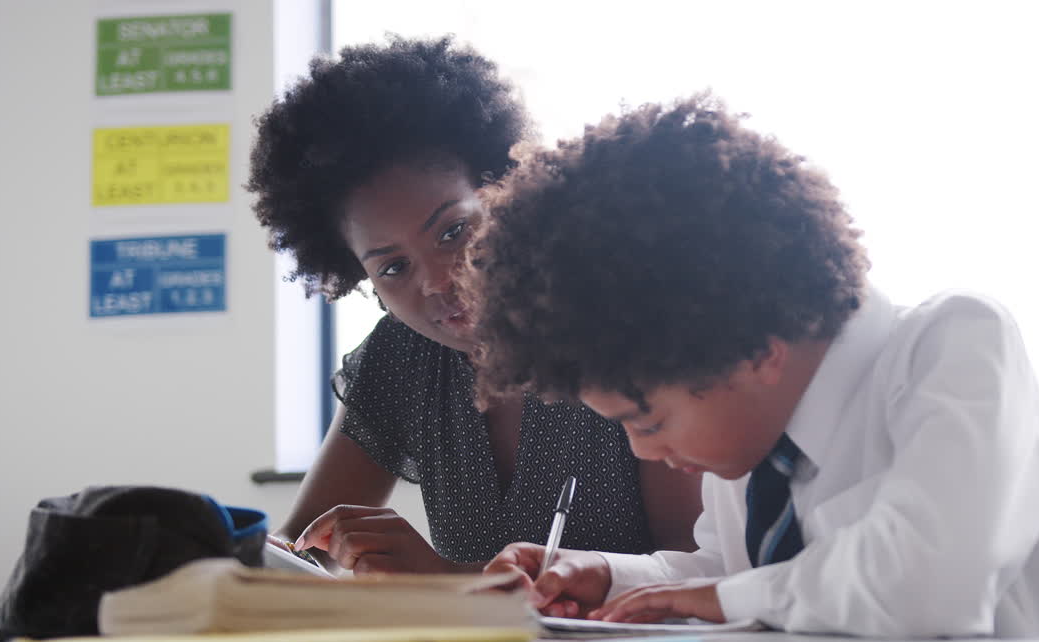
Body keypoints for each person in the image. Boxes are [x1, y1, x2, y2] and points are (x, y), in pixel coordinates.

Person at [469, 94, 1039, 638]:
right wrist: (610, 575)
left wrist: (723, 597)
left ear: (756, 349)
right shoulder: (754, 434)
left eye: (649, 418)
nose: (643, 447)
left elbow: (926, 581)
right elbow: (734, 571)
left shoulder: (958, 343)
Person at [244, 37, 701, 575]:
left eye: (454, 231)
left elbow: (697, 572)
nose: (438, 281)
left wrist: (442, 580)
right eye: (392, 268)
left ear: (507, 187)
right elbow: (298, 554)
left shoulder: (624, 325)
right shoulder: (401, 358)